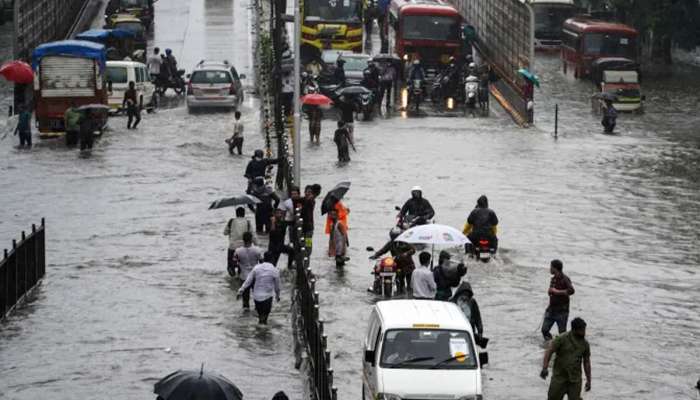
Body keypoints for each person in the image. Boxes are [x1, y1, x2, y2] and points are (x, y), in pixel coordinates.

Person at [540, 317, 592, 400]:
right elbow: (549, 351)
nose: (584, 332)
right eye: (582, 330)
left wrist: (589, 380)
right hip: (559, 378)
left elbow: (587, 362)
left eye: (584, 330)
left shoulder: (585, 344)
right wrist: (545, 368)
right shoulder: (562, 339)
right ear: (574, 330)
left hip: (575, 380)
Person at [237, 252, 281, 324]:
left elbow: (248, 281)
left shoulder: (257, 268)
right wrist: (277, 296)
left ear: (264, 259)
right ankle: (263, 332)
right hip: (267, 297)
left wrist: (240, 290)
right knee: (264, 318)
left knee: (260, 316)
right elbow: (277, 287)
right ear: (273, 260)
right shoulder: (274, 270)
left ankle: (259, 331)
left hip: (257, 297)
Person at [370, 227, 415, 294]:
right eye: (393, 237)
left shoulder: (405, 242)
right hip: (398, 266)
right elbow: (383, 250)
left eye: (396, 237)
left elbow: (413, 250)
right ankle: (400, 296)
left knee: (410, 285)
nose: (395, 238)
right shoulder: (391, 243)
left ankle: (409, 297)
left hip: (408, 266)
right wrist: (375, 255)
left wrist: (406, 254)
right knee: (400, 283)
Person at [541, 259, 575, 341]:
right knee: (544, 330)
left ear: (555, 268)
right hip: (551, 310)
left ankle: (562, 349)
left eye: (551, 267)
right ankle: (550, 345)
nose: (550, 269)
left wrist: (557, 291)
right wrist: (550, 291)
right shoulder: (553, 279)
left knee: (562, 334)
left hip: (562, 311)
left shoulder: (565, 279)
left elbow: (571, 290)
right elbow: (552, 292)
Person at [233, 232, 263, 309]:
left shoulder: (238, 251)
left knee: (245, 302)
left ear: (243, 240)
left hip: (244, 277)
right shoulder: (257, 250)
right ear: (251, 239)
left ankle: (246, 317)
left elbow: (234, 263)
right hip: (255, 276)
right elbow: (262, 263)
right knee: (258, 298)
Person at [224, 207, 257, 273]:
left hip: (232, 247)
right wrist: (256, 244)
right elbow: (252, 235)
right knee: (242, 265)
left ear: (236, 214)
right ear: (244, 214)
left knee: (230, 265)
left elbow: (225, 233)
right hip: (243, 248)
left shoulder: (231, 221)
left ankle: (231, 274)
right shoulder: (247, 222)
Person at [301, 184, 321, 255]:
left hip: (309, 228)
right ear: (304, 192)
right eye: (307, 191)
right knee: (301, 243)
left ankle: (308, 255)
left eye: (310, 192)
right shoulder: (302, 200)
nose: (308, 193)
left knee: (308, 244)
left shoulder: (312, 201)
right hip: (301, 227)